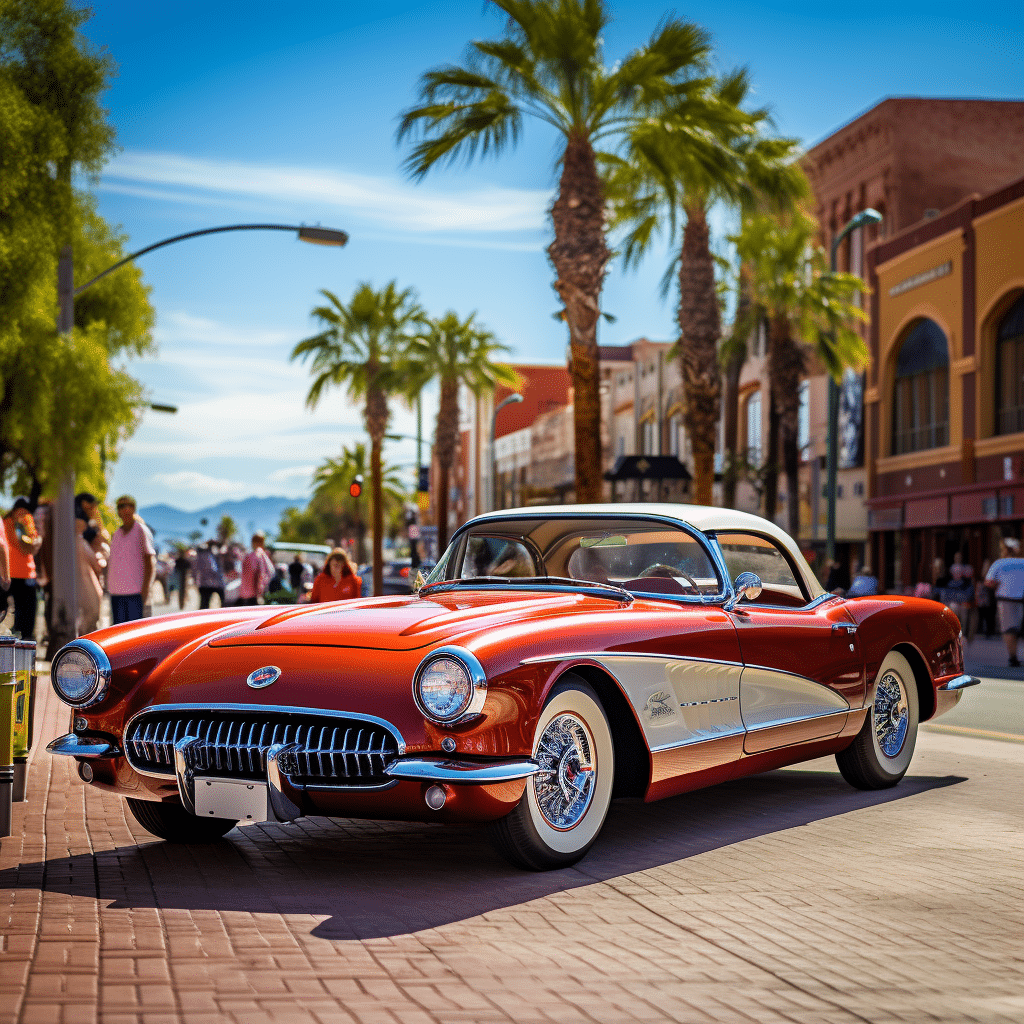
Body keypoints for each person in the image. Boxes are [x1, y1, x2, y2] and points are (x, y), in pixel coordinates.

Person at [107, 495, 156, 625]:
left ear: (134, 508)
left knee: (134, 633)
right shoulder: (117, 533)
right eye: (121, 506)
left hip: (135, 593)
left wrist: (145, 589)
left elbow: (149, 560)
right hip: (116, 592)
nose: (125, 509)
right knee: (118, 632)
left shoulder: (141, 530)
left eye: (129, 505)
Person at [3, 497, 41, 640]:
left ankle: (20, 636)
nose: (22, 513)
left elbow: (31, 543)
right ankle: (21, 637)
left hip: (18, 572)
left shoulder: (15, 520)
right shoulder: (17, 520)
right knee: (23, 609)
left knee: (22, 608)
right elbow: (26, 547)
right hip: (19, 573)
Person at [984, 538, 1024, 668]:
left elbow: (989, 582)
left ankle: (1013, 658)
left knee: (1009, 630)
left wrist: (1000, 585)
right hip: (1021, 599)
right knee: (1018, 630)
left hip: (1006, 600)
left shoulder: (1000, 563)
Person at [75, 517, 106, 634]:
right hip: (87, 589)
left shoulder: (77, 542)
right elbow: (98, 565)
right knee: (89, 621)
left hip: (85, 588)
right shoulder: (80, 542)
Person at [238, 532, 275, 606]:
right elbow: (263, 572)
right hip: (255, 594)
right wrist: (259, 592)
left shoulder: (249, 555)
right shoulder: (259, 554)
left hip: (246, 593)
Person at [193, 542, 226, 609]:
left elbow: (195, 570)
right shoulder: (207, 555)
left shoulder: (202, 555)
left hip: (206, 584)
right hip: (210, 584)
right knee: (205, 606)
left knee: (204, 606)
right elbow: (213, 569)